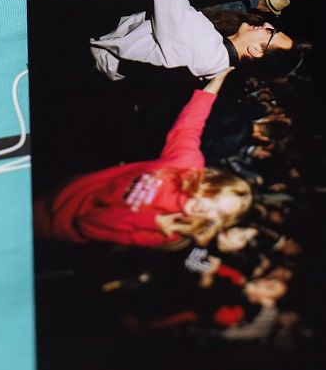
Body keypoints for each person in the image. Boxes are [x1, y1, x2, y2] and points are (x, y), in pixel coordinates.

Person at [34, 69, 252, 249]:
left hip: (57, 225)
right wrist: (216, 82)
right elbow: (190, 125)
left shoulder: (170, 233)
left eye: (219, 213)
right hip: (72, 187)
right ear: (210, 184)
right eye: (214, 198)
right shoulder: (187, 166)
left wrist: (152, 222)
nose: (208, 210)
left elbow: (87, 223)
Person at [90, 0, 296, 81]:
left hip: (103, 34)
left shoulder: (204, 44)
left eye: (271, 32)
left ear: (257, 51)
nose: (267, 24)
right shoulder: (219, 65)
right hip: (107, 54)